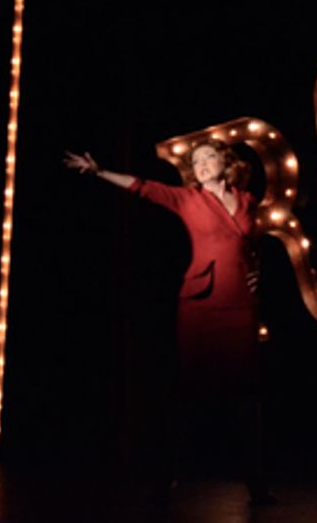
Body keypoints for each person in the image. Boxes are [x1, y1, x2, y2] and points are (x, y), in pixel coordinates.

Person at [64, 141, 274, 505]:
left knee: (246, 396)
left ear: (225, 161)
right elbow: (144, 187)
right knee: (187, 394)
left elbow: (251, 246)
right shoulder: (187, 199)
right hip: (200, 304)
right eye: (196, 162)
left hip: (240, 305)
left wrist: (257, 273)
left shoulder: (248, 201)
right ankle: (164, 479)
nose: (201, 166)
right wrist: (99, 172)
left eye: (208, 158)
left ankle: (256, 484)